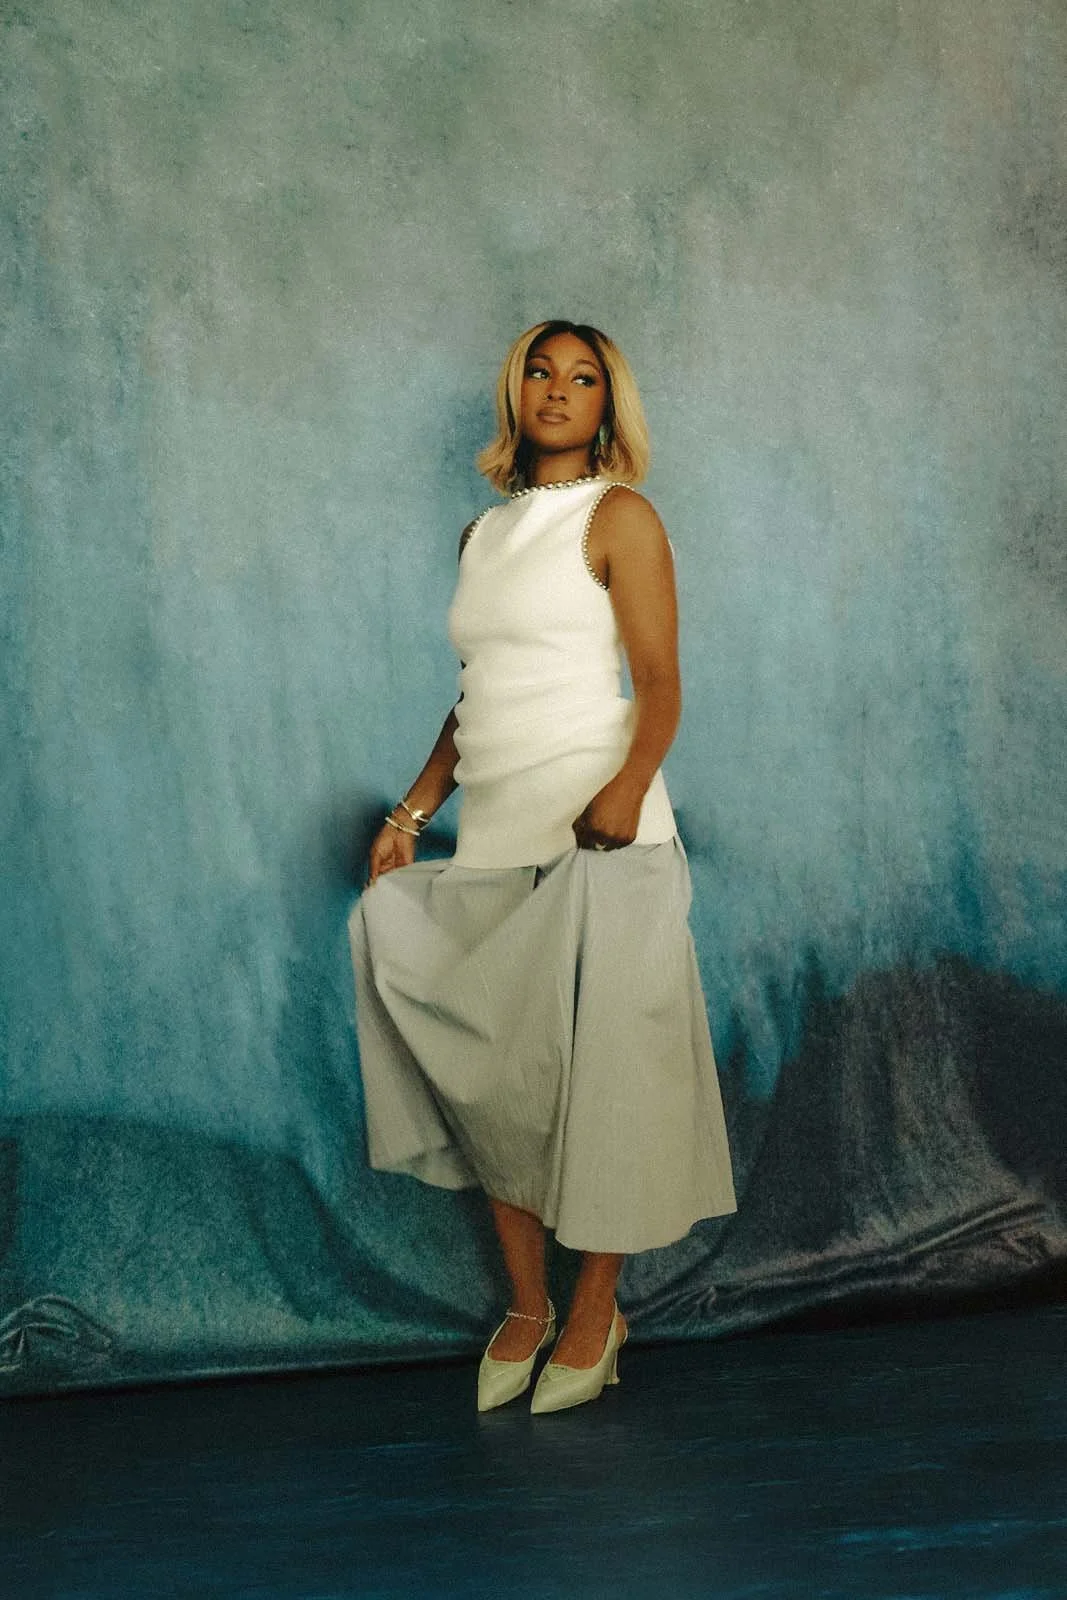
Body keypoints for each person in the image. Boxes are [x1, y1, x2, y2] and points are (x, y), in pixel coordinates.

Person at [348, 319, 736, 1415]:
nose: (557, 390)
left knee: (605, 1078)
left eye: (581, 378)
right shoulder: (484, 530)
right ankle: (526, 1301)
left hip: (605, 836)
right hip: (498, 834)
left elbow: (657, 682)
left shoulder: (620, 517)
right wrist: (415, 809)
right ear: (512, 389)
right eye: (539, 370)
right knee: (502, 1081)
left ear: (606, 407)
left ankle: (592, 1308)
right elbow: (476, 695)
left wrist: (620, 793)